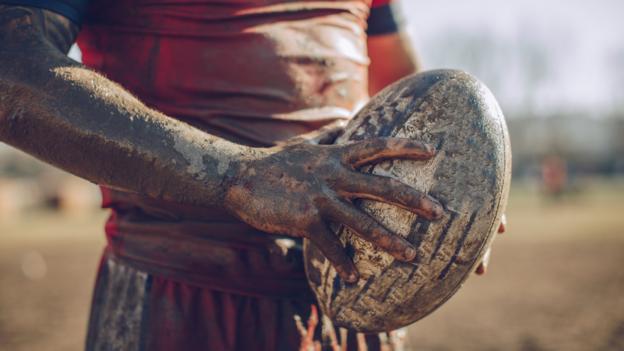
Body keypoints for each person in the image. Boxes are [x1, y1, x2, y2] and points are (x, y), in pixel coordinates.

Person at [0, 1, 504, 350]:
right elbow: (9, 67)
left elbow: (398, 82)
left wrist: (453, 182)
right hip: (180, 301)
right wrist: (237, 174)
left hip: (353, 300)